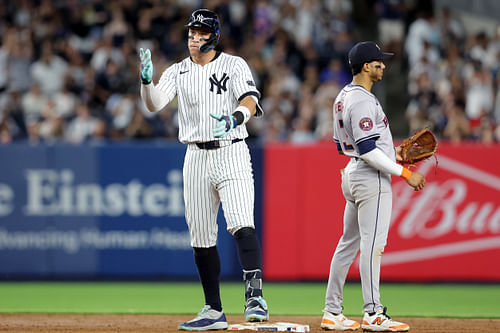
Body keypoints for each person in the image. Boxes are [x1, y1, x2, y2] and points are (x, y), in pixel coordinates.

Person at [139, 8, 268, 331]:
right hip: (195, 155)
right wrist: (145, 81)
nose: (195, 39)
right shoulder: (177, 71)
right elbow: (154, 104)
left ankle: (255, 297)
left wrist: (235, 118)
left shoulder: (233, 64)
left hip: (232, 150)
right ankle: (213, 309)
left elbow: (250, 98)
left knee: (241, 222)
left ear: (215, 37)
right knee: (200, 235)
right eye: (191, 34)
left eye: (201, 34)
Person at [321, 41, 426, 332]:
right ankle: (373, 313)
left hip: (352, 172)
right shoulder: (364, 100)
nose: (383, 65)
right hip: (370, 177)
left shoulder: (344, 95)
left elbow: (350, 146)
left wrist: (394, 153)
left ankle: (332, 312)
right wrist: (404, 172)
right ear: (366, 66)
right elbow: (367, 149)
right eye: (379, 62)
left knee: (348, 244)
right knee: (373, 246)